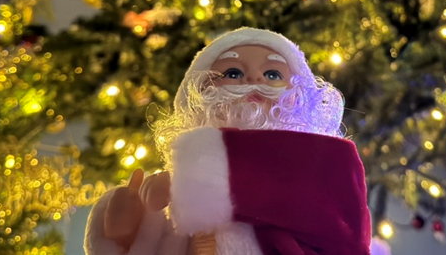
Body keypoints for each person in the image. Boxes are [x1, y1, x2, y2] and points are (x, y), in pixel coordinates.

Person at [84, 27, 372, 255]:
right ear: (201, 94)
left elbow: (338, 226)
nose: (254, 78)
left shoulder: (326, 162)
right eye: (233, 73)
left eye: (272, 74)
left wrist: (187, 184)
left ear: (299, 95)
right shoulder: (187, 185)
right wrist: (132, 230)